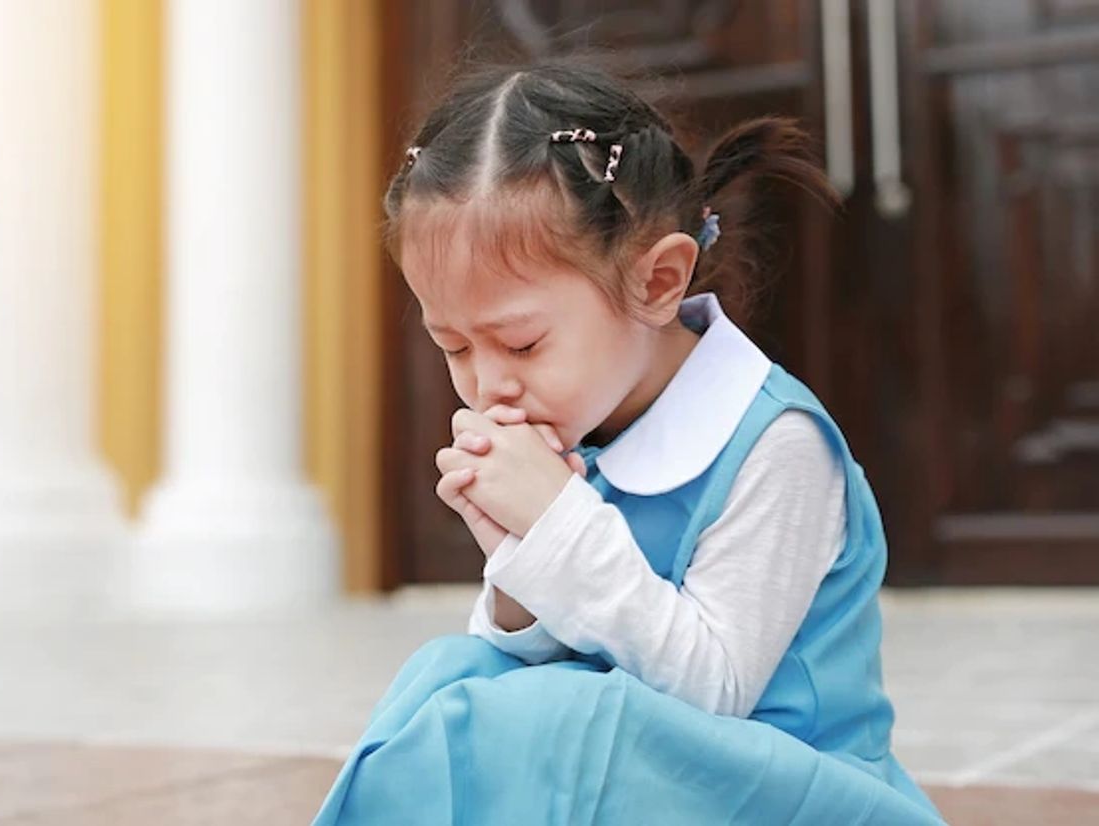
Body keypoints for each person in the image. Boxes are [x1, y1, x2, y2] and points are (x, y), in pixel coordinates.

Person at [312, 60, 945, 825]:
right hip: (651, 781)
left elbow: (712, 691)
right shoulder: (590, 419)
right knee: (453, 670)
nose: (486, 386)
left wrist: (558, 526)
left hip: (786, 787)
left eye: (519, 344)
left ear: (656, 282)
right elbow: (555, 650)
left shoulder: (776, 445)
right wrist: (515, 566)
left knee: (552, 717)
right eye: (453, 346)